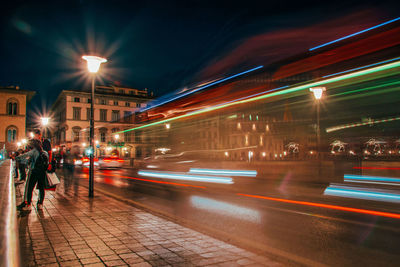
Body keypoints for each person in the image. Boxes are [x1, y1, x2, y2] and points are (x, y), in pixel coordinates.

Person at [16, 129, 49, 211]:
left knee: (30, 188)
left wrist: (16, 158)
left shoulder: (34, 151)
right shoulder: (45, 152)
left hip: (34, 172)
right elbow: (47, 162)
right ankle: (40, 204)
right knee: (41, 188)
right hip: (42, 173)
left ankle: (28, 204)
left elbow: (24, 156)